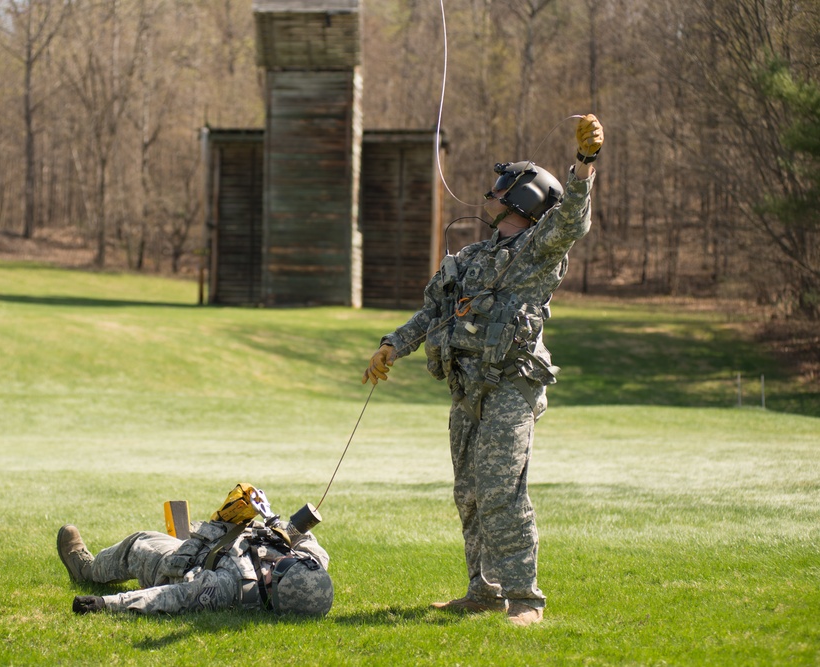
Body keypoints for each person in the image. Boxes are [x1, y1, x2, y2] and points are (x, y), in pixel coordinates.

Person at [362, 114, 604, 626]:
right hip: (466, 387)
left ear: (523, 198)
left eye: (499, 187)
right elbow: (433, 314)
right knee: (469, 492)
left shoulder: (538, 252)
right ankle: (484, 590)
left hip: (511, 385)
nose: (488, 194)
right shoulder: (471, 256)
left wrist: (583, 166)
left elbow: (571, 224)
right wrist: (391, 346)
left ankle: (524, 599)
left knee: (500, 487)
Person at [57, 483, 333, 617]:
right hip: (225, 537)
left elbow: (174, 596)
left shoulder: (230, 586)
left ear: (276, 593)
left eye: (279, 569)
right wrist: (275, 523)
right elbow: (305, 541)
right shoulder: (309, 567)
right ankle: (199, 529)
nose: (280, 561)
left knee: (140, 543)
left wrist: (108, 604)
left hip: (186, 565)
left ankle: (86, 569)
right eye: (289, 560)